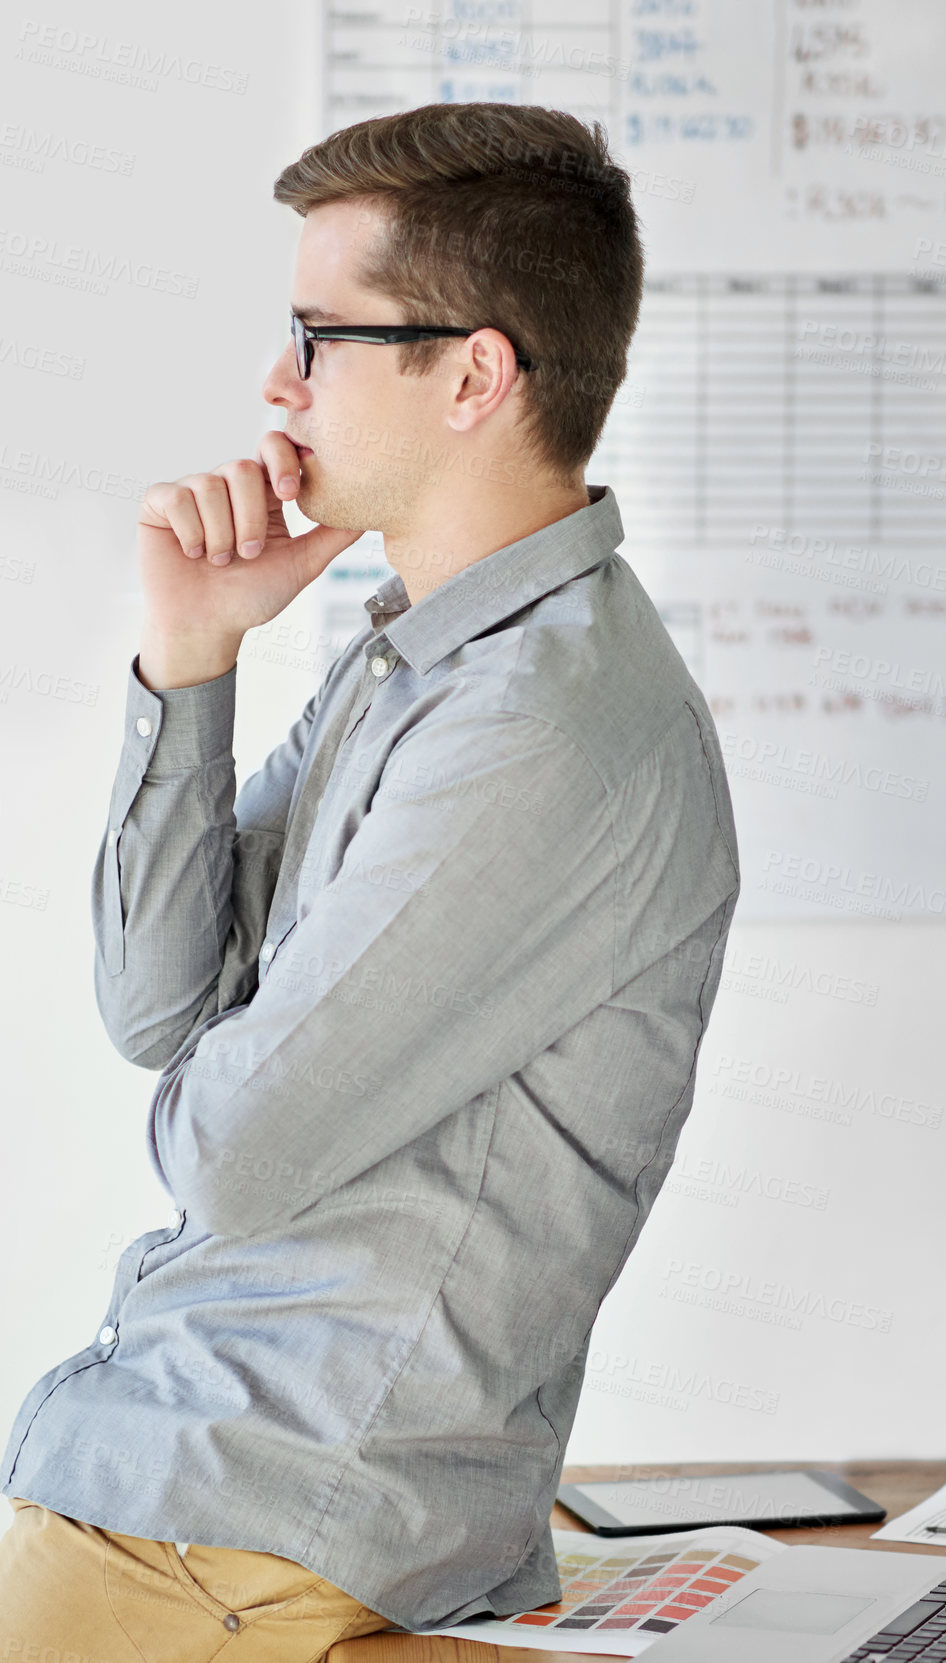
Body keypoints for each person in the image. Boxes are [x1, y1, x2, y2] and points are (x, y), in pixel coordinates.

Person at [0, 100, 740, 1658]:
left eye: (318, 336)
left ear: (474, 372)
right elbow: (160, 1009)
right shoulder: (415, 662)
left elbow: (233, 1156)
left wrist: (230, 1062)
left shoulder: (537, 724)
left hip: (245, 1540)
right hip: (185, 1491)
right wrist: (190, 659)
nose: (278, 386)